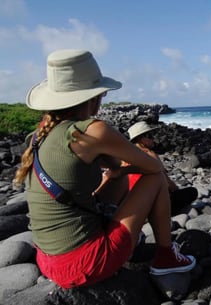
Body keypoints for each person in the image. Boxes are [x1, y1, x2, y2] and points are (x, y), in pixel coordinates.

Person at [14, 49, 195, 289]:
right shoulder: (91, 130)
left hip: (47, 260)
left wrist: (119, 171)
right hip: (81, 264)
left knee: (118, 178)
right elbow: (154, 166)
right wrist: (125, 167)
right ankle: (166, 257)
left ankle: (130, 237)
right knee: (155, 178)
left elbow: (101, 167)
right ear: (94, 97)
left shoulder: (39, 134)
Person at [126, 121, 198, 215]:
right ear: (141, 139)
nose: (154, 138)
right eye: (150, 135)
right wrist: (175, 189)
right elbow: (166, 181)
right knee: (192, 192)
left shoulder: (126, 156)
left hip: (133, 205)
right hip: (152, 204)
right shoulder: (150, 154)